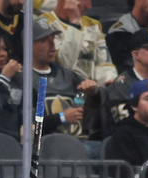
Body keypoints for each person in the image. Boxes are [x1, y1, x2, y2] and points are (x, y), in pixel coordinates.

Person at [30, 18, 101, 149]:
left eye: (53, 39)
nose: (52, 45)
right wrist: (61, 118)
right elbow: (26, 124)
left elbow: (80, 107)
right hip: (48, 146)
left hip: (78, 141)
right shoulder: (24, 78)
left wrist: (91, 93)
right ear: (29, 45)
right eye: (44, 40)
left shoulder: (68, 75)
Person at [40, 0, 117, 86]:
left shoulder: (93, 24)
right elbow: (65, 65)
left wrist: (108, 82)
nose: (89, 6)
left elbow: (104, 63)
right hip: (62, 88)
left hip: (91, 89)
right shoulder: (45, 23)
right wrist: (74, 24)